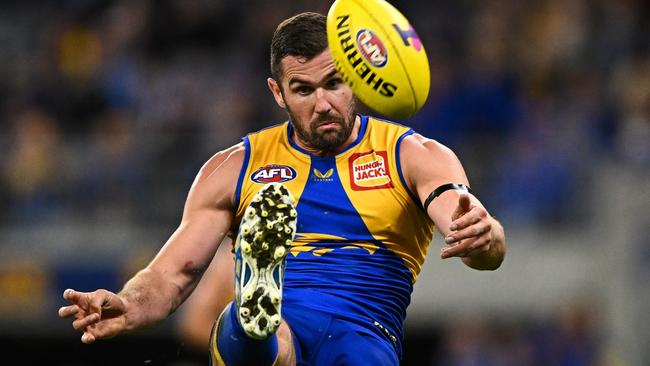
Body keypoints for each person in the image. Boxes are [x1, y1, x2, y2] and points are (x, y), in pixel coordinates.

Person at [58, 12, 506, 366]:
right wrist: (129, 304)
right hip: (288, 319)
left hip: (365, 329)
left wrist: (485, 237)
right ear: (278, 92)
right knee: (269, 338)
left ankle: (255, 324)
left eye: (334, 83)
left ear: (356, 76)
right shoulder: (234, 167)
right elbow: (171, 275)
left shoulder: (414, 155)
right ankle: (256, 316)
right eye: (303, 89)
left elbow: (471, 229)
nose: (323, 103)